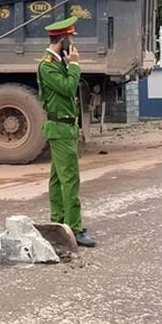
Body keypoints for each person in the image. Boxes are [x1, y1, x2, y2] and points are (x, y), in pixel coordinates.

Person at [37, 16, 96, 248]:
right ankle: (75, 228)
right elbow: (68, 87)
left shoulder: (57, 63)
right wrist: (74, 65)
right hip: (59, 128)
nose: (72, 45)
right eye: (70, 40)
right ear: (62, 40)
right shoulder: (47, 66)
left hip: (65, 127)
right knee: (70, 178)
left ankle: (58, 222)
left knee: (57, 178)